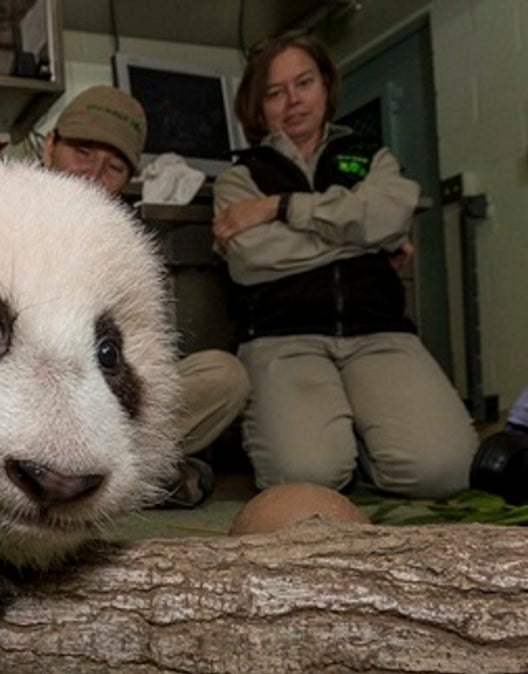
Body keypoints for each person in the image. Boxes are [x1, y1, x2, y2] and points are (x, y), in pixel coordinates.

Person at [211, 31, 477, 499]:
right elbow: (251, 259)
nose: (293, 101)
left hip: (380, 332)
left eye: (304, 83)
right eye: (275, 93)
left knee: (447, 471)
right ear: (258, 107)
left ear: (326, 86)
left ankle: (365, 440)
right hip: (282, 338)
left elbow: (390, 213)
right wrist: (366, 237)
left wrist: (282, 207)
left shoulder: (371, 157)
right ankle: (341, 439)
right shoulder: (238, 177)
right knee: (304, 478)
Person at [42, 85, 251, 508]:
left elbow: (146, 369)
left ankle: (112, 482)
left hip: (98, 407)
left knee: (226, 377)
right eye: (81, 151)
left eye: (114, 166)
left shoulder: (125, 248)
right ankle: (145, 484)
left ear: (129, 179)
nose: (93, 176)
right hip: (17, 405)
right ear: (49, 146)